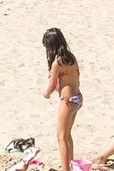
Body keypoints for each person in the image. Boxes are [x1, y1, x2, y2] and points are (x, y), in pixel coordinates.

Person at [41, 28, 82, 171]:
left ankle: (66, 169)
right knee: (67, 134)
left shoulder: (57, 63)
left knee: (61, 136)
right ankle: (70, 165)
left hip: (67, 101)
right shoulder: (71, 57)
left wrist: (45, 94)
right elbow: (77, 77)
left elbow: (51, 86)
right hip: (78, 98)